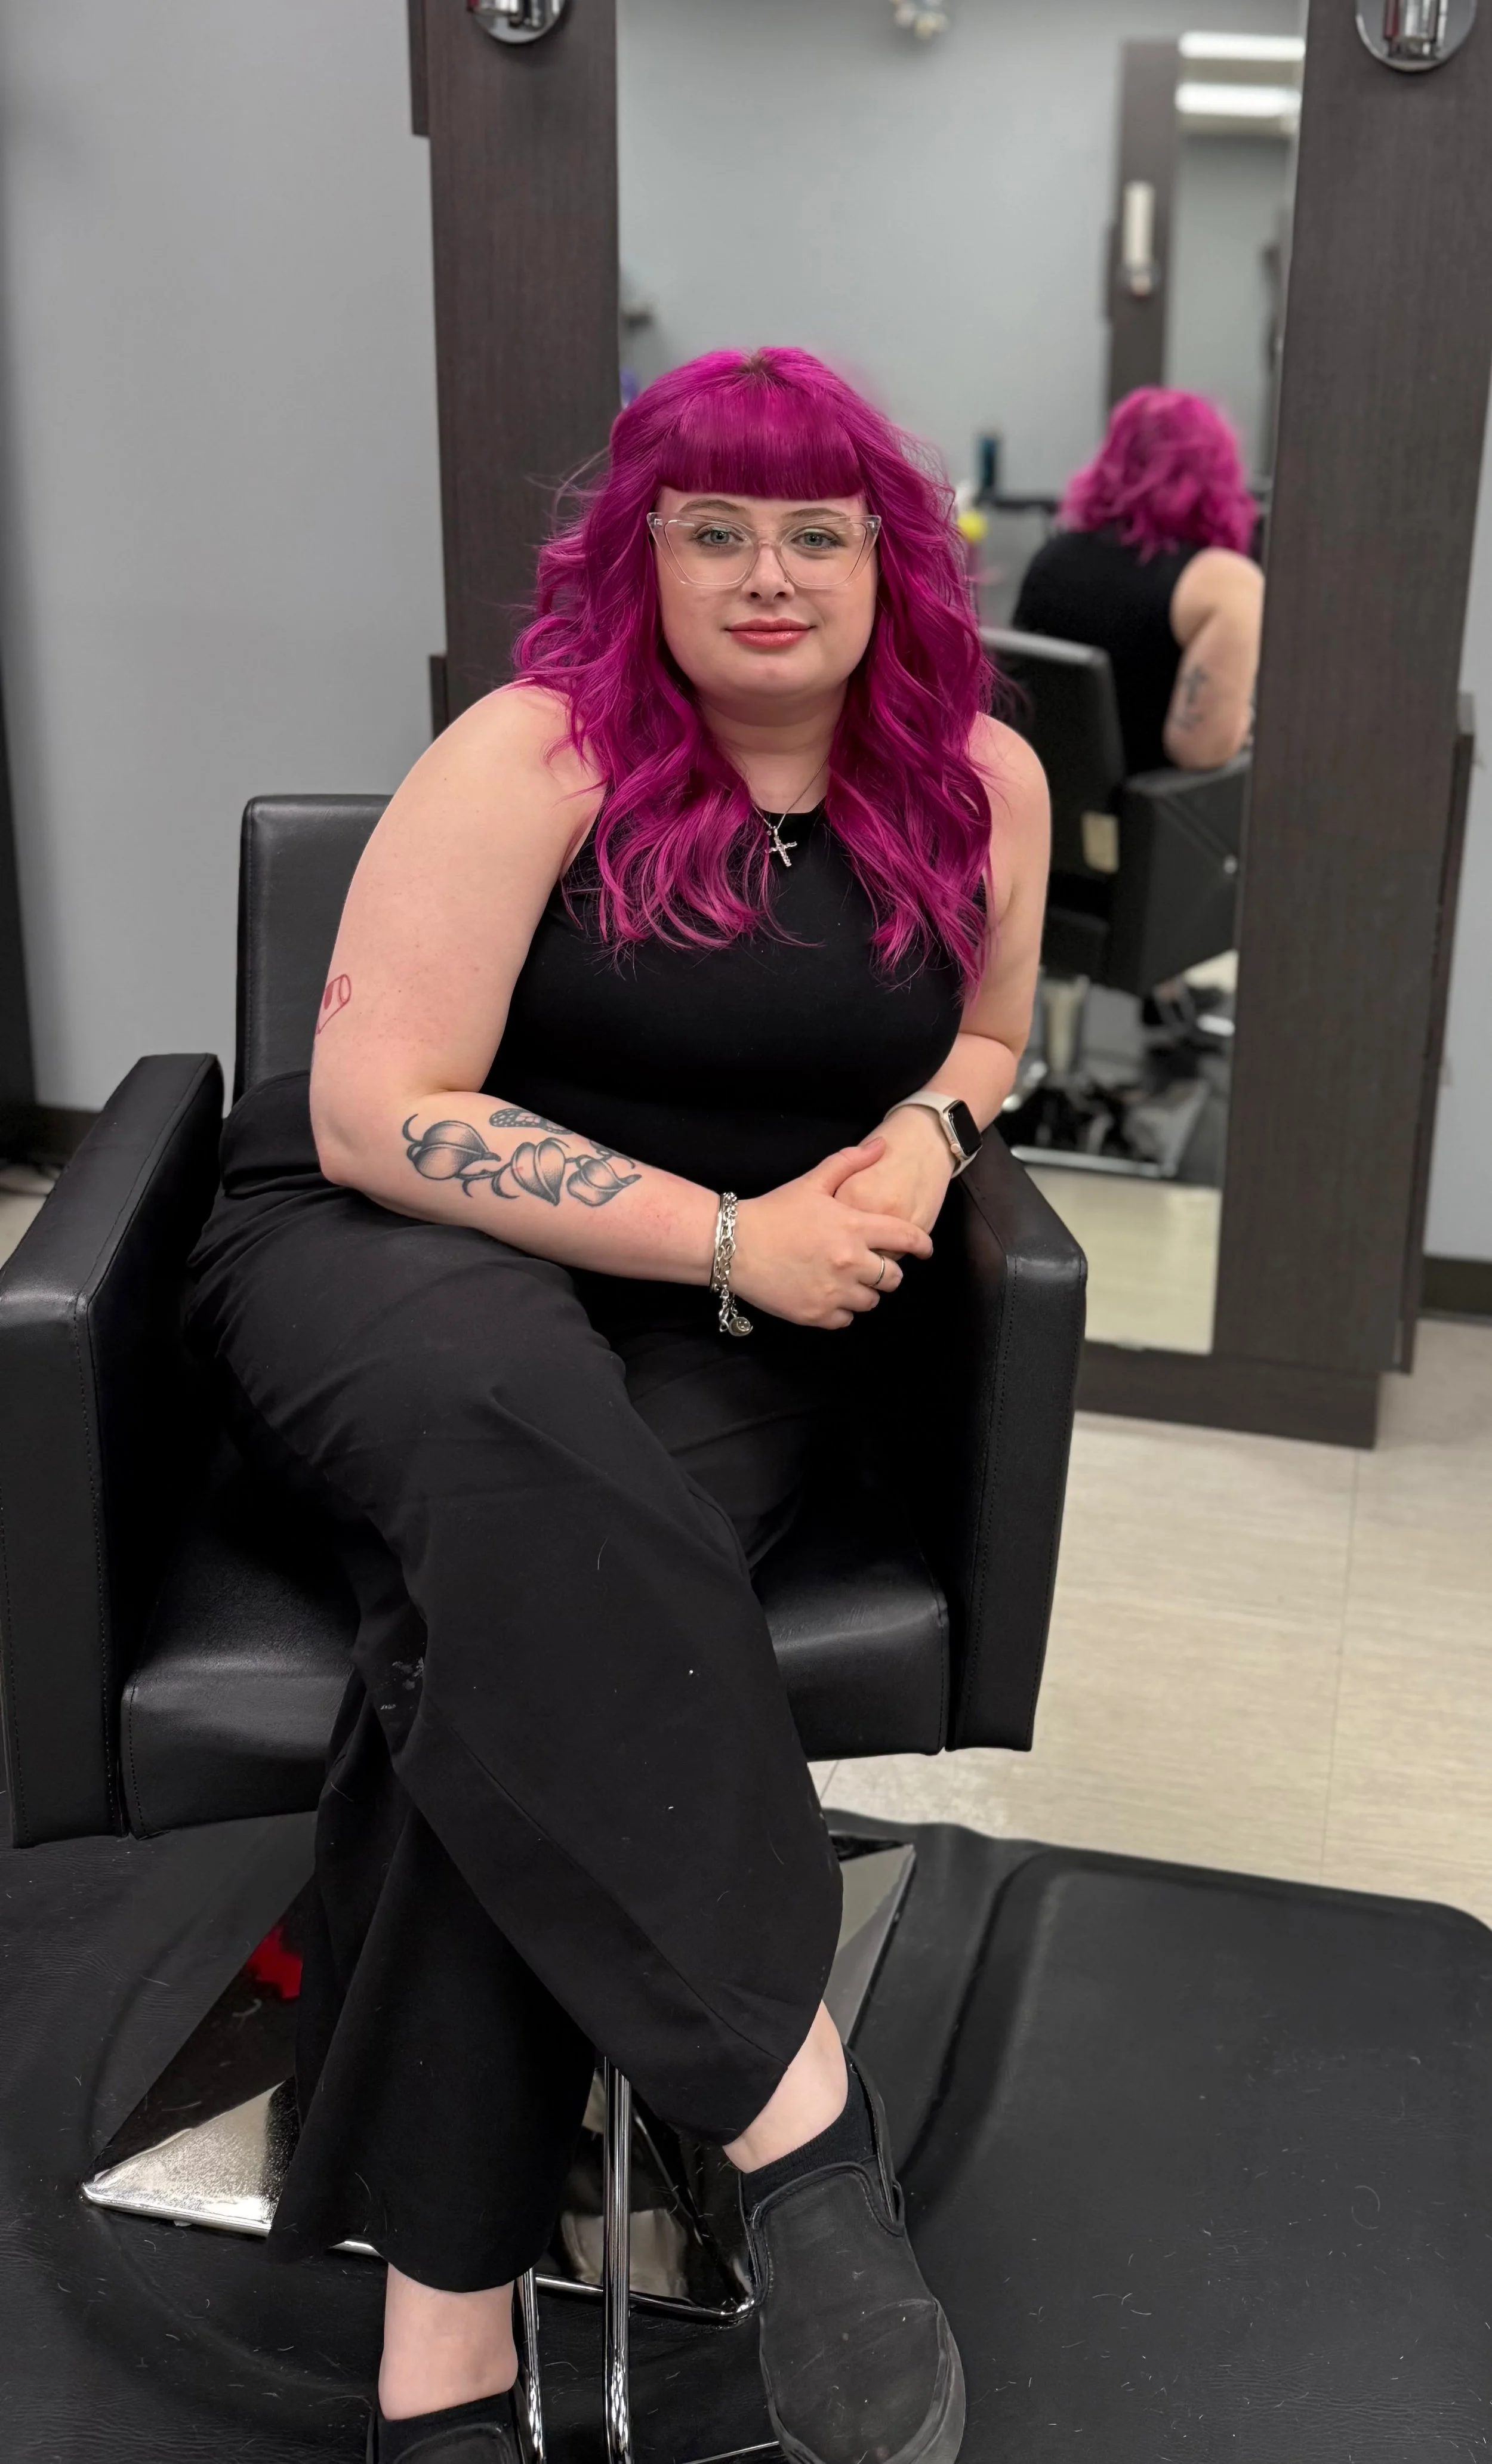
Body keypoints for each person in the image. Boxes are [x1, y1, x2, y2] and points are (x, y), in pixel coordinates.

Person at [186, 346, 1049, 2464]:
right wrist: (739, 1239)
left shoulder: (979, 781)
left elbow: (996, 1039)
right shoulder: (538, 751)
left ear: (889, 557)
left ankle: (444, 2328)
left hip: (721, 1324)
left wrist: (931, 1142)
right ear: (639, 555)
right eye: (714, 528)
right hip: (398, 1254)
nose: (769, 572)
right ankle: (795, 2127)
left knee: (510, 1630)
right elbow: (387, 1116)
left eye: (816, 530)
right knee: (511, 1461)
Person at [1012, 387, 1263, 774]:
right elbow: (1200, 750)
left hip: (1051, 803)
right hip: (1155, 824)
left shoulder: (1052, 559)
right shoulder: (1225, 583)